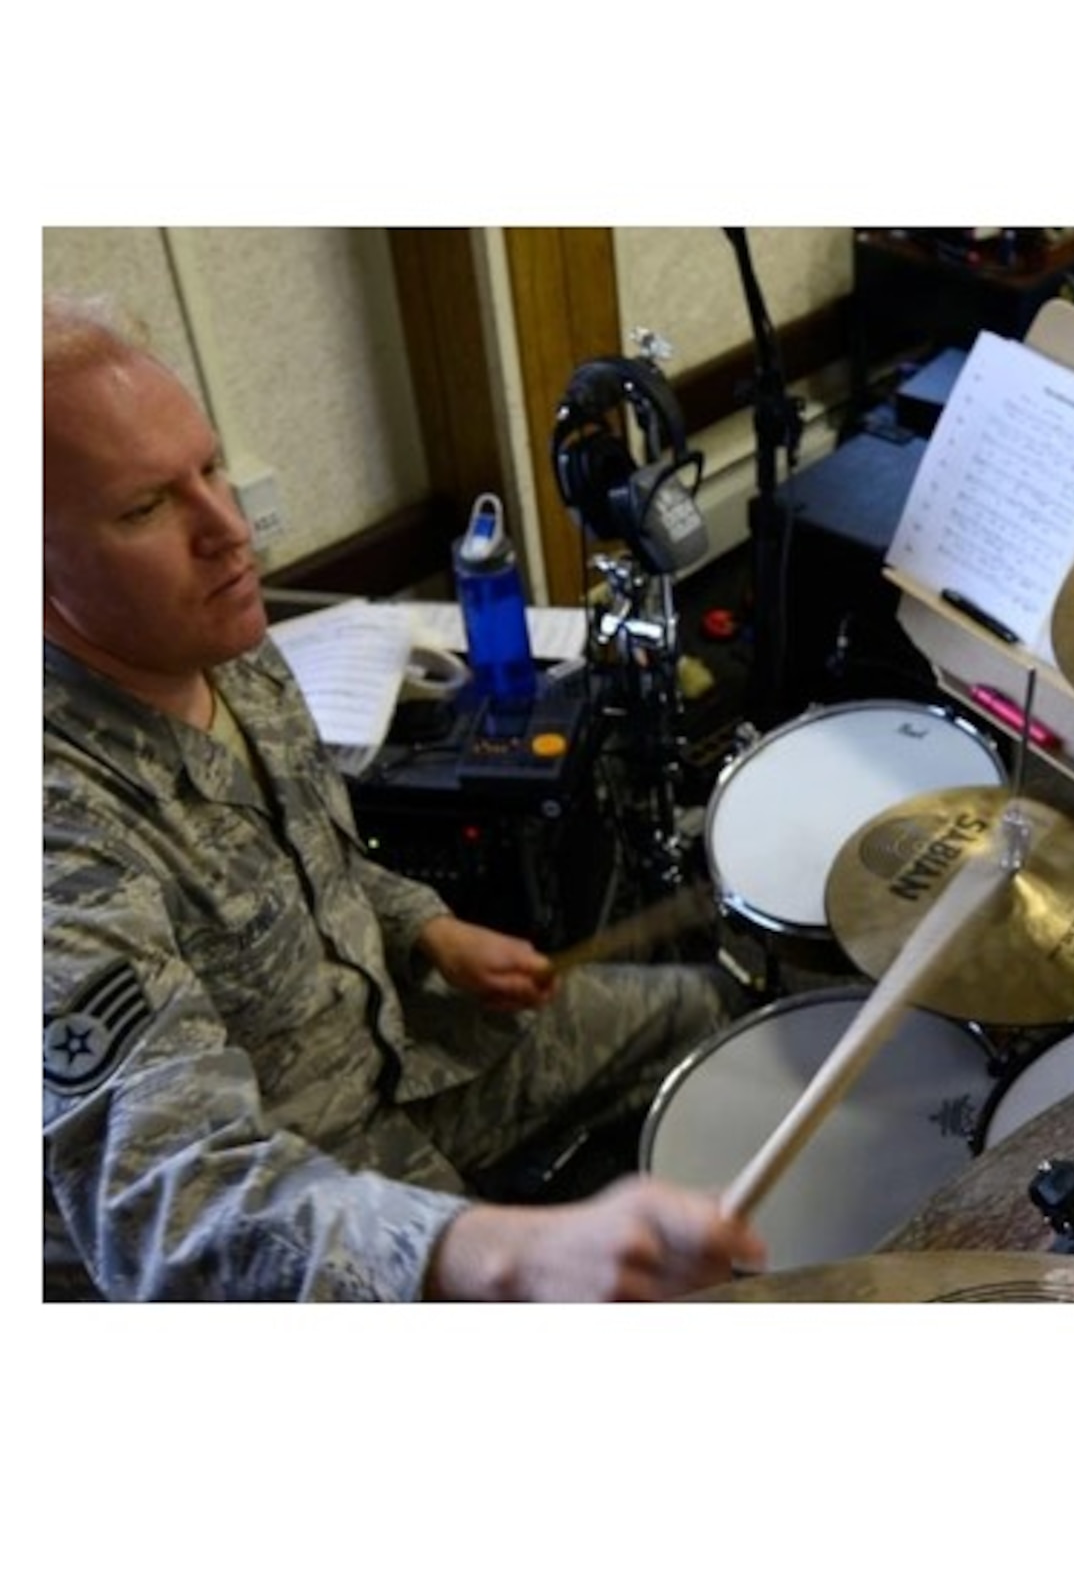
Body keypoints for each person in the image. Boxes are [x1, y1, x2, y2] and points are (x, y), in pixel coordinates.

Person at [42, 291, 765, 1301]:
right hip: (305, 1194)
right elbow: (178, 1205)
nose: (229, 531)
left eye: (209, 470)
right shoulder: (49, 836)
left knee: (720, 1019)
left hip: (406, 1053)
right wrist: (495, 1252)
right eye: (144, 508)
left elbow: (315, 861)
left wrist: (425, 928)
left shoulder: (224, 644)